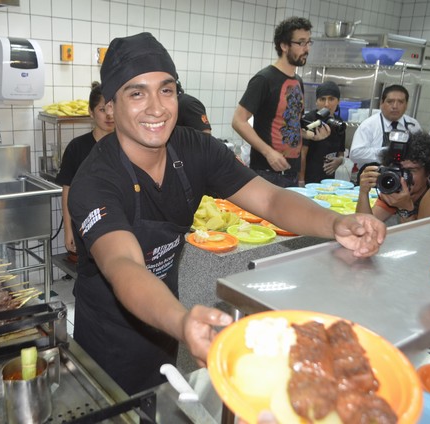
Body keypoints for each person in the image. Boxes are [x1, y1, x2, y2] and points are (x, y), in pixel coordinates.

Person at [67, 32, 387, 394]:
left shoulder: (196, 149)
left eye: (166, 90)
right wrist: (182, 320)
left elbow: (270, 200)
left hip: (163, 321)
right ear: (110, 106)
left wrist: (335, 222)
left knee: (159, 401)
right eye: (137, 93)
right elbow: (123, 265)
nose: (157, 108)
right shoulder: (95, 181)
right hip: (109, 335)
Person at [232, 17, 327, 188]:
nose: (306, 49)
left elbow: (291, 124)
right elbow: (238, 121)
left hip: (291, 172)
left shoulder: (298, 81)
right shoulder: (264, 79)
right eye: (301, 43)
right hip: (267, 173)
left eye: (308, 42)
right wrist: (268, 152)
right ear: (284, 46)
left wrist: (311, 135)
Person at [56, 82, 115, 254]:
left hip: (117, 224)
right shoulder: (77, 147)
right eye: (102, 109)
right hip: (85, 225)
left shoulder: (127, 145)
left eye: (112, 108)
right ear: (91, 112)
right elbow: (67, 190)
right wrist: (68, 230)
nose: (109, 115)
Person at [356, 131, 430, 225]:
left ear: (428, 172)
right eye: (399, 170)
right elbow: (363, 225)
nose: (403, 177)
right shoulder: (395, 190)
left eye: (411, 170)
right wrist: (363, 192)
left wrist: (405, 208)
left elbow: (421, 233)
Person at [349, 85, 422, 170]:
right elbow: (355, 154)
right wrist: (386, 152)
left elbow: (421, 153)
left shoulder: (413, 125)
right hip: (372, 174)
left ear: (406, 105)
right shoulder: (369, 125)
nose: (395, 106)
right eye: (390, 101)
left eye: (400, 102)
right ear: (381, 103)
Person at [300, 80, 346, 184]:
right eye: (322, 99)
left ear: (338, 101)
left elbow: (341, 152)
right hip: (309, 180)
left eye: (331, 99)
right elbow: (302, 154)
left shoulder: (339, 123)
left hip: (328, 182)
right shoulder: (310, 120)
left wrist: (340, 160)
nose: (326, 104)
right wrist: (301, 180)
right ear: (316, 101)